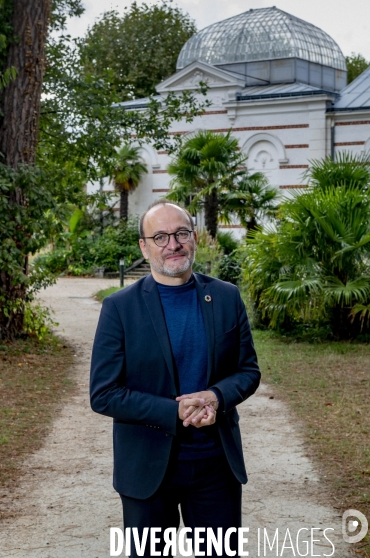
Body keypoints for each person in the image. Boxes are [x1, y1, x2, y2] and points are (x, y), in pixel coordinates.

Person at [90, 200, 261, 557]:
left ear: (194, 237)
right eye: (161, 236)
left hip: (216, 465)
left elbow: (248, 371)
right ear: (144, 245)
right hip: (147, 470)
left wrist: (216, 396)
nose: (173, 244)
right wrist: (174, 412)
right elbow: (104, 393)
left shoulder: (227, 297)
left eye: (181, 233)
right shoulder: (120, 307)